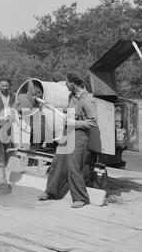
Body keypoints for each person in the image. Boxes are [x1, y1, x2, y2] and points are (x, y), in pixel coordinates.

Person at [37, 71, 98, 208]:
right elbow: (72, 111)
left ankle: (80, 198)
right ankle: (51, 192)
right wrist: (52, 106)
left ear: (72, 83)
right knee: (57, 163)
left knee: (73, 166)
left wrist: (74, 123)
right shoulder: (72, 96)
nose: (65, 85)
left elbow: (93, 122)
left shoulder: (87, 99)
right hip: (68, 133)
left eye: (66, 82)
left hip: (80, 135)